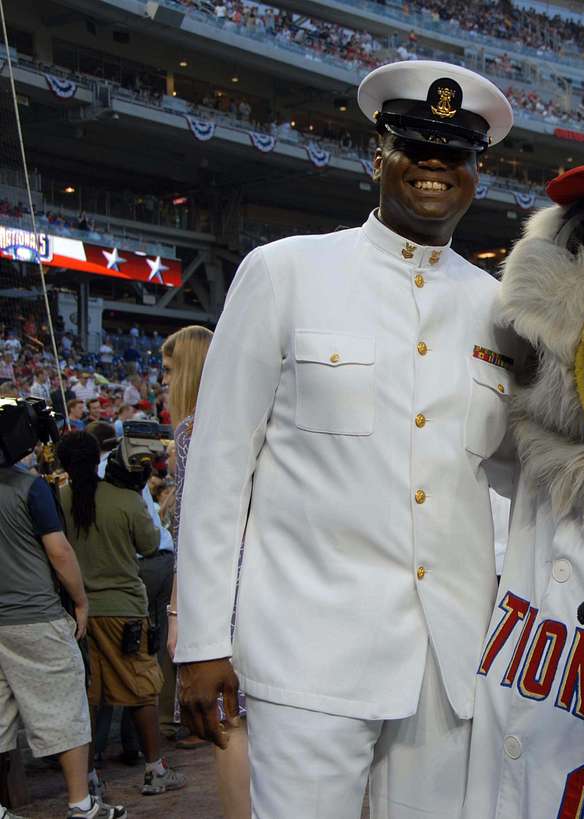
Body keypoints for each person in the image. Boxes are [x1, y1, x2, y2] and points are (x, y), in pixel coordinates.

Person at [175, 60, 517, 819]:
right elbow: (220, 467)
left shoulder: (502, 309)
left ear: (476, 173)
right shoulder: (286, 271)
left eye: (454, 155)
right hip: (308, 651)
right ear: (377, 155)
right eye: (414, 147)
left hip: (450, 662)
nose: (434, 166)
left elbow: (516, 481)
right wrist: (201, 640)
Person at [0, 407, 127, 819]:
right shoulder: (30, 487)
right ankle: (81, 804)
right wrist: (80, 601)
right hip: (35, 615)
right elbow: (59, 551)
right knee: (68, 711)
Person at [55, 433, 185, 797]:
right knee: (142, 689)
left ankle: (90, 778)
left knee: (89, 695)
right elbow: (148, 544)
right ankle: (154, 769)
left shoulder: (58, 499)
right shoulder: (124, 499)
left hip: (79, 612)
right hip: (125, 608)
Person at [163, 326, 250, 815]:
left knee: (228, 725)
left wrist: (179, 615)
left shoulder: (195, 430)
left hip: (220, 593)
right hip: (262, 584)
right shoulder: (243, 421)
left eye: (170, 370)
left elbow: (192, 532)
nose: (163, 380)